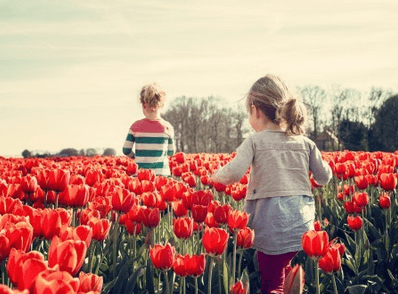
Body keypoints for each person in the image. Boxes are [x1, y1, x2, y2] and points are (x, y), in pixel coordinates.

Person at [211, 74, 332, 294]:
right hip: (301, 223)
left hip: (272, 223)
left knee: (272, 282)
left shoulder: (255, 141)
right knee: (285, 269)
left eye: (249, 113)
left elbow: (235, 173)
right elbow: (324, 177)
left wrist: (214, 176)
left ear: (256, 111)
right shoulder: (305, 142)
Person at [122, 83, 175, 176]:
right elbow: (171, 152)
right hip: (162, 174)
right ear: (161, 105)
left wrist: (135, 156)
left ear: (143, 105)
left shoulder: (135, 127)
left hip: (141, 175)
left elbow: (126, 150)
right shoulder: (167, 127)